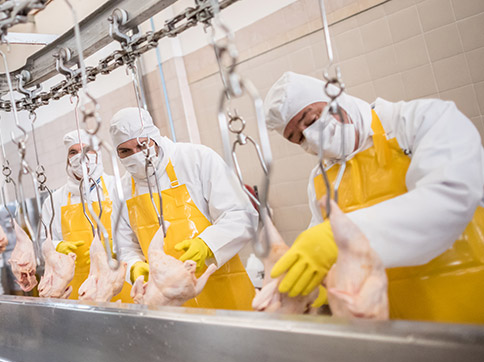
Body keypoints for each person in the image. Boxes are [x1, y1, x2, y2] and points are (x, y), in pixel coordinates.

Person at [263, 71, 484, 323]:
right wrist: (311, 293)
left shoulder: (421, 120)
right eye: (298, 138)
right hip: (392, 330)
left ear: (335, 96)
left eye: (312, 119)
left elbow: (451, 199)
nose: (311, 137)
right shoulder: (320, 180)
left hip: (471, 311)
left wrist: (345, 239)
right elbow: (322, 259)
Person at [109, 107, 257, 310]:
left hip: (224, 292)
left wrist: (207, 244)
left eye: (142, 145)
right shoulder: (122, 190)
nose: (135, 155)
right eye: (125, 151)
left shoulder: (196, 158)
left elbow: (241, 215)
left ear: (154, 137)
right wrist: (134, 267)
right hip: (165, 300)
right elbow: (125, 247)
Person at [40, 129, 130, 301]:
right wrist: (57, 247)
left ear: (98, 154)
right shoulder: (54, 199)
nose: (79, 156)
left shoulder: (117, 187)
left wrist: (117, 244)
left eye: (87, 150)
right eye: (73, 152)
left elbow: (134, 234)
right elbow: (44, 241)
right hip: (79, 288)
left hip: (119, 283)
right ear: (67, 158)